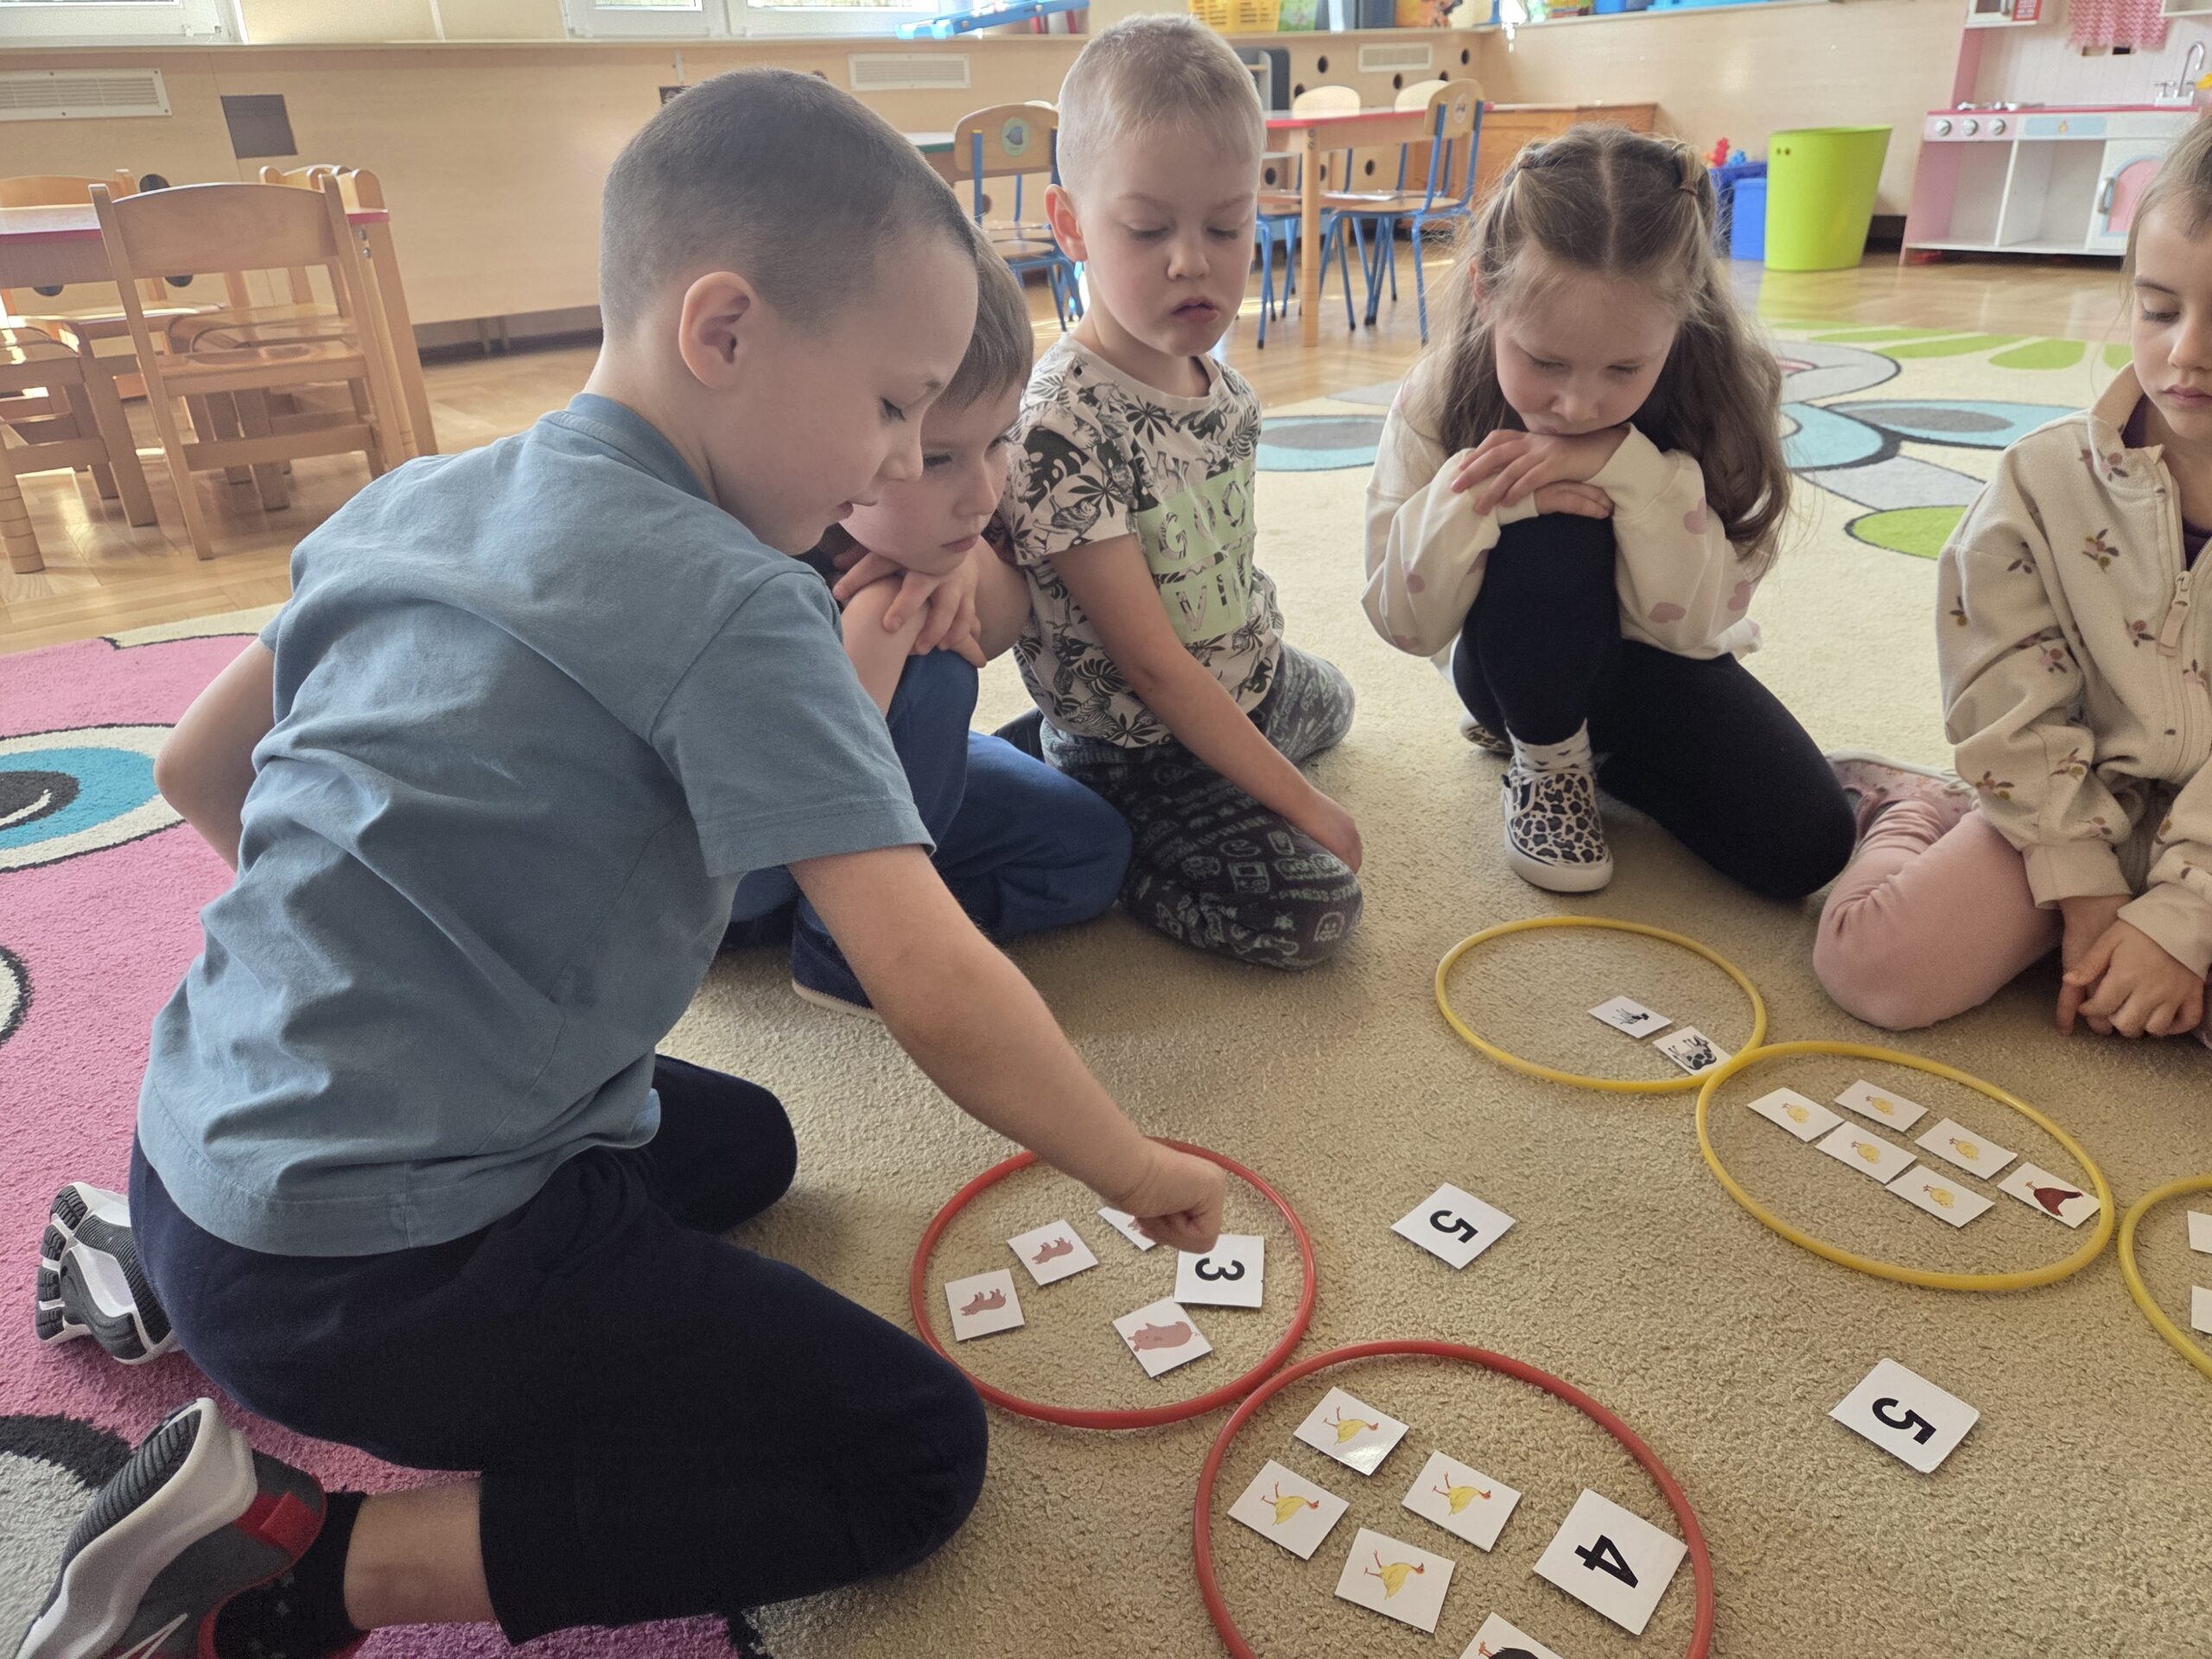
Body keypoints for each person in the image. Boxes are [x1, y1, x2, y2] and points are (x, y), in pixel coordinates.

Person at [16, 70, 1223, 1659]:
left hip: (192, 1157)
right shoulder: (741, 600)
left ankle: (162, 1275)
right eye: (891, 407)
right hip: (366, 1279)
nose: (899, 462)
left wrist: (414, 949)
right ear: (723, 330)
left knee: (743, 1148)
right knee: (909, 1453)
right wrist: (1130, 1166)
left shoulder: (412, 494)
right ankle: (298, 1567)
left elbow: (193, 769)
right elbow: (927, 976)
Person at [1363, 124, 1853, 900]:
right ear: (1486, 291)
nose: (1577, 404)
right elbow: (1404, 623)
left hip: (1648, 658)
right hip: (1507, 660)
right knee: (1552, 524)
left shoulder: (1726, 390)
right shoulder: (1436, 393)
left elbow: (1691, 629)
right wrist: (1490, 493)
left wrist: (1624, 466)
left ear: (1682, 316)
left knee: (1807, 846)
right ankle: (1546, 759)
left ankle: (1600, 756)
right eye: (1544, 361)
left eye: (1625, 367)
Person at [1815, 117, 2212, 1046]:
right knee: (1877, 968)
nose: (2187, 354)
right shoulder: (2043, 478)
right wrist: (2078, 881)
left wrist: (2182, 916)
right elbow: (2001, 675)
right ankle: (1912, 809)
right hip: (2067, 794)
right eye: (2159, 312)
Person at [1001, 14, 1363, 971]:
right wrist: (1299, 801)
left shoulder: (1224, 388)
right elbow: (1155, 669)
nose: (1192, 260)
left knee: (1338, 702)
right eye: (1148, 228)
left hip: (1248, 683)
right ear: (1071, 225)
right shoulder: (1061, 427)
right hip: (1137, 748)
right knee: (1317, 914)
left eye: (1226, 226)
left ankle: (1236, 762)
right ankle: (1107, 831)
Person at [722, 249, 1132, 1015]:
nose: (982, 493)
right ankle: (842, 947)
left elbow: (1001, 624)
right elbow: (799, 781)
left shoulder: (935, 521)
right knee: (934, 671)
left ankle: (829, 914)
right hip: (744, 844)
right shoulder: (751, 544)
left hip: (883, 783)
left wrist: (965, 569)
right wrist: (882, 624)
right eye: (937, 458)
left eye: (1000, 441)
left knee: (1087, 852)